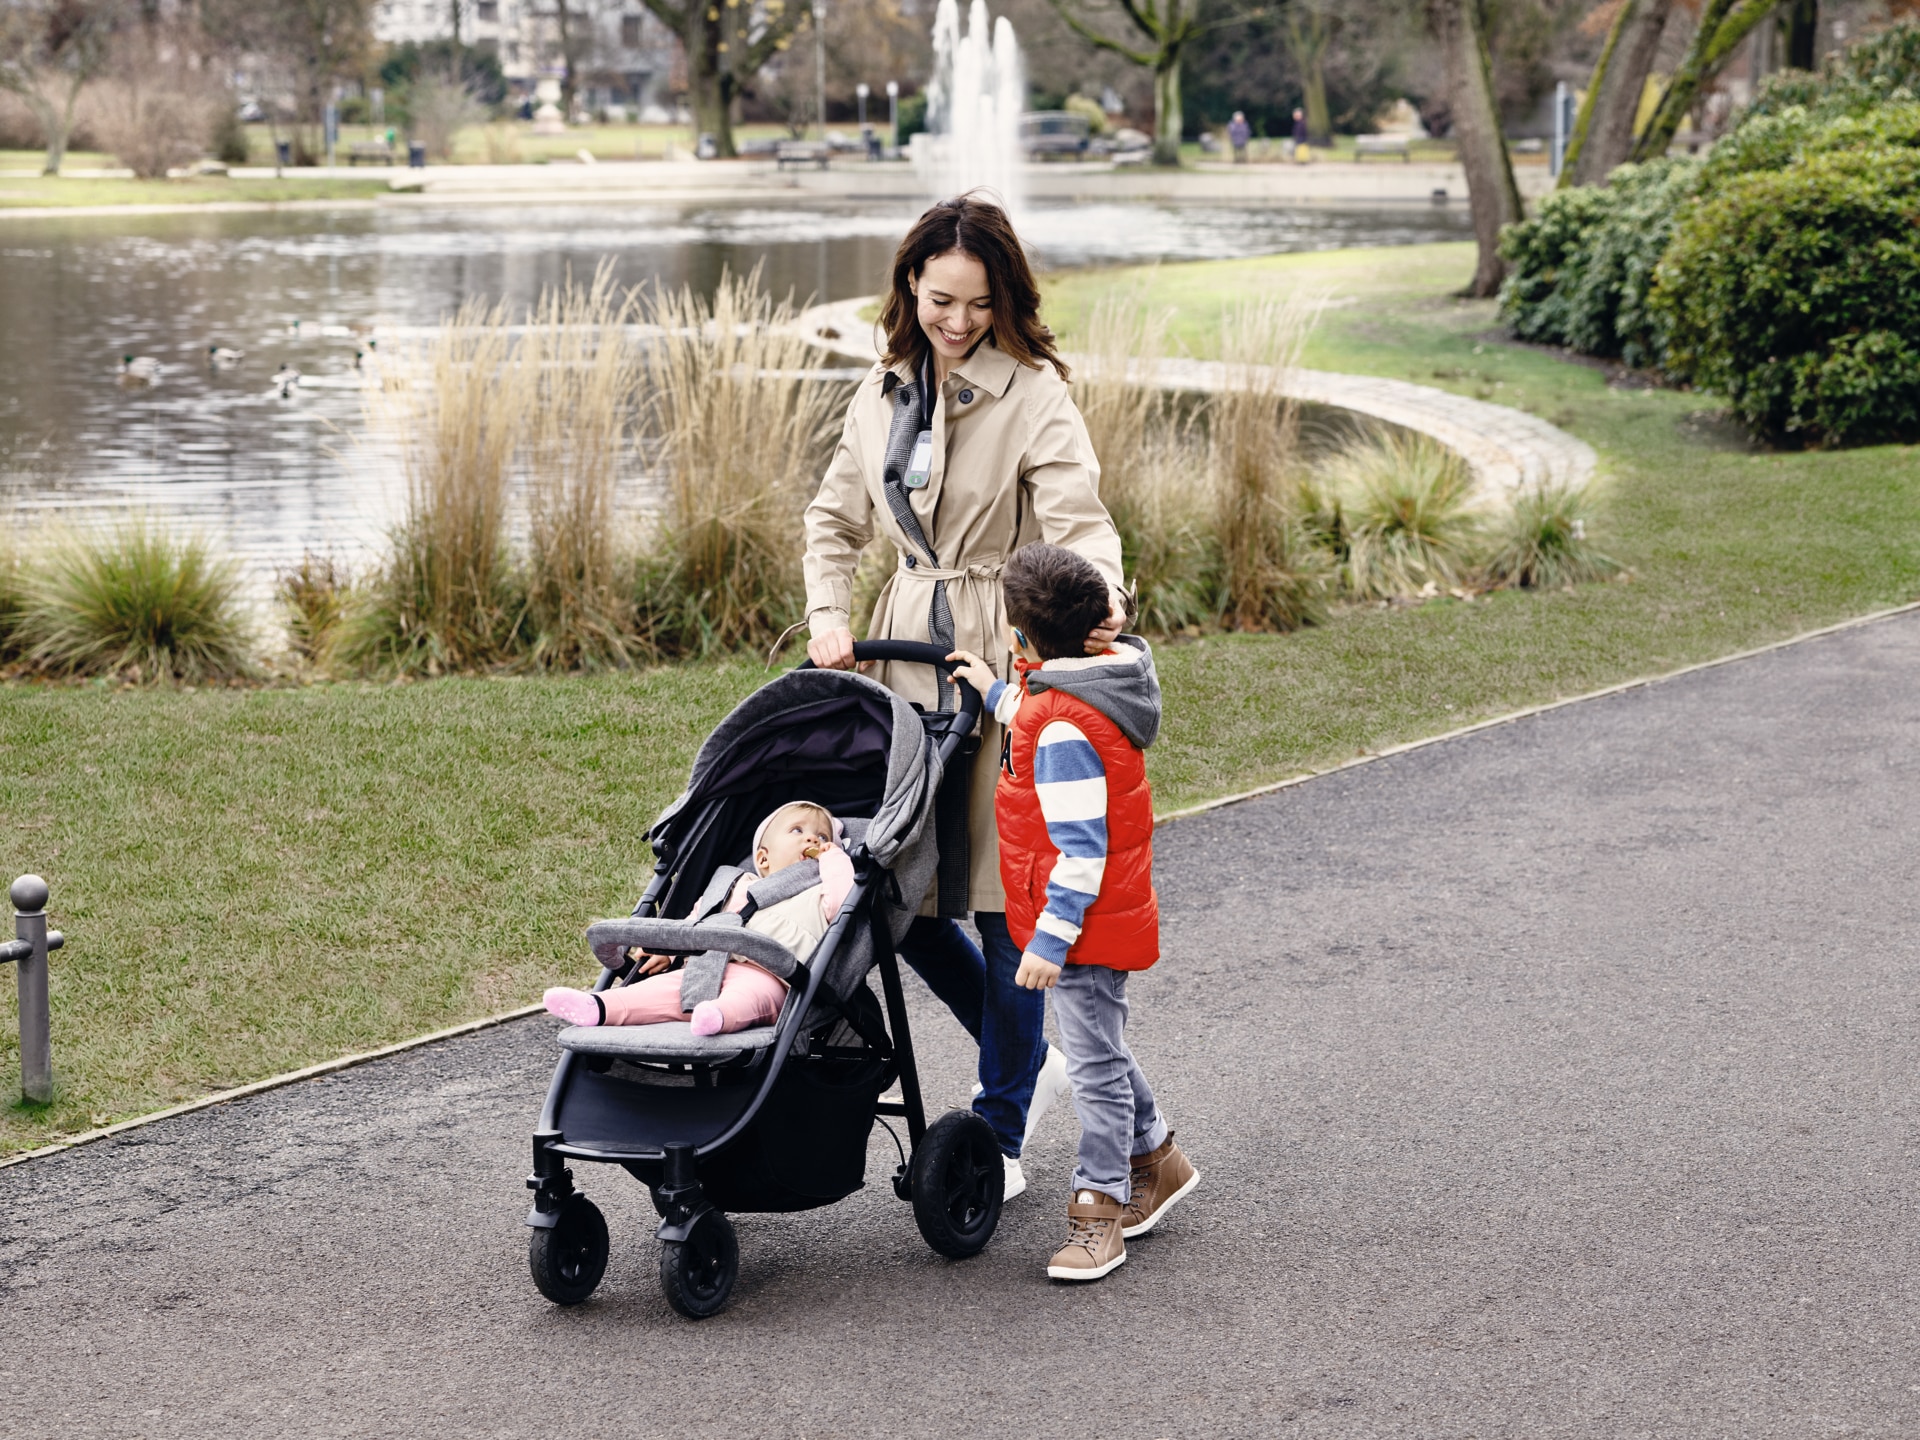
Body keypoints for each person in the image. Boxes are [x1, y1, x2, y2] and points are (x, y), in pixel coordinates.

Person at [802, 193, 1130, 1200]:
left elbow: (1081, 522)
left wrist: (1102, 605)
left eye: (979, 305)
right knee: (897, 893)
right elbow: (832, 516)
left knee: (1002, 899)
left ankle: (999, 1127)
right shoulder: (881, 389)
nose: (957, 322)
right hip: (902, 655)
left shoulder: (1033, 394)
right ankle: (1022, 1046)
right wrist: (827, 614)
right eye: (941, 300)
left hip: (998, 660)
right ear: (909, 286)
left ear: (1005, 302)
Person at [947, 543, 1198, 1282]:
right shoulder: (1089, 686)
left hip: (1082, 924)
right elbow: (1035, 708)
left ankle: (1100, 1210)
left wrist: (1050, 941)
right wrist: (994, 692)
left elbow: (1081, 854)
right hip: (1095, 918)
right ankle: (1160, 1157)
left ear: (1026, 640)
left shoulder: (1061, 735)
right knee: (1099, 1044)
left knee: (1092, 1066)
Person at [542, 802, 855, 1037]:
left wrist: (834, 858)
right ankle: (598, 1007)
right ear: (762, 858)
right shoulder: (736, 885)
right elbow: (698, 922)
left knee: (748, 999)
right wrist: (669, 951)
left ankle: (717, 1016)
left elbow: (844, 900)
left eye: (822, 836)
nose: (813, 840)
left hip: (772, 976)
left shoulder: (820, 894)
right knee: (663, 991)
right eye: (798, 831)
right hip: (707, 968)